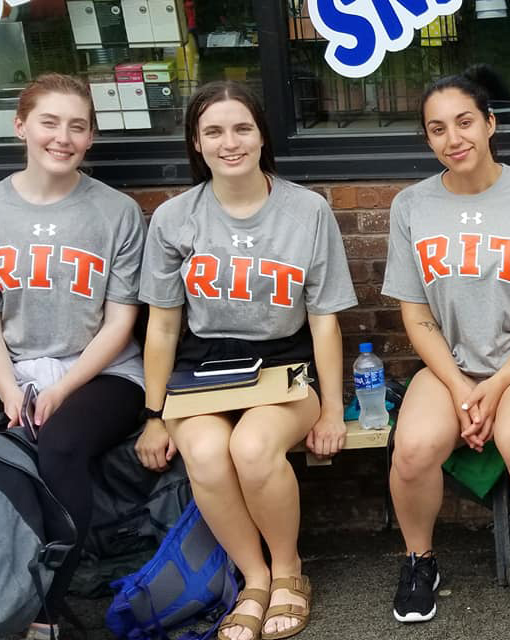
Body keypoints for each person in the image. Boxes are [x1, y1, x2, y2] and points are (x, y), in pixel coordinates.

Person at [134, 81, 357, 640]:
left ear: (262, 137)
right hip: (202, 372)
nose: (229, 142)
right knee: (206, 453)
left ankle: (288, 571)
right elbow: (162, 326)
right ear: (196, 142)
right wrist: (155, 413)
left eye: (241, 128)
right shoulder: (174, 219)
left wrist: (332, 409)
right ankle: (253, 579)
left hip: (285, 367)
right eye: (213, 131)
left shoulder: (307, 211)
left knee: (253, 448)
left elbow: (325, 319)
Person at [0, 73, 146, 640]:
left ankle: (41, 612)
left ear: (91, 137)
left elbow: (121, 320)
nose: (63, 137)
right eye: (50, 122)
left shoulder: (117, 211)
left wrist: (61, 389)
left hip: (102, 372)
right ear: (21, 125)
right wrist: (8, 389)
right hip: (15, 370)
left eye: (78, 126)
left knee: (59, 447)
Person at [381, 74, 510, 623]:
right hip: (451, 362)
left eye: (464, 121)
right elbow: (416, 313)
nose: (453, 138)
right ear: (428, 140)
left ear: (490, 123)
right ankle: (418, 560)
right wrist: (460, 386)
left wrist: (496, 387)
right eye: (437, 129)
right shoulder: (411, 206)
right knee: (412, 448)